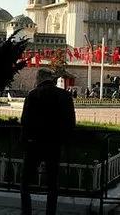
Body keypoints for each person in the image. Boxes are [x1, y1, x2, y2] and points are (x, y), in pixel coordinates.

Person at [20, 68, 76, 215]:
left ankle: (27, 212)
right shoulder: (64, 95)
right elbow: (70, 122)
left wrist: (25, 140)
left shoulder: (33, 95)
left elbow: (25, 121)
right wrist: (63, 139)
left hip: (34, 144)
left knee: (25, 183)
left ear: (39, 79)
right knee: (52, 184)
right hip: (54, 144)